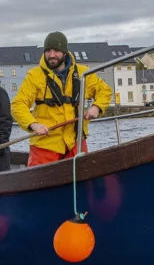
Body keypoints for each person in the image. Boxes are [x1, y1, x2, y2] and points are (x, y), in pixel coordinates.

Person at [11, 31, 112, 167]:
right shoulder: (34, 76)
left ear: (64, 52)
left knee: (85, 179)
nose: (52, 55)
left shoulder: (83, 73)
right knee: (41, 184)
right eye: (48, 51)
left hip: (76, 143)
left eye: (56, 50)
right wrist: (33, 124)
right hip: (45, 145)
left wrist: (97, 106)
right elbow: (18, 105)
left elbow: (104, 90)